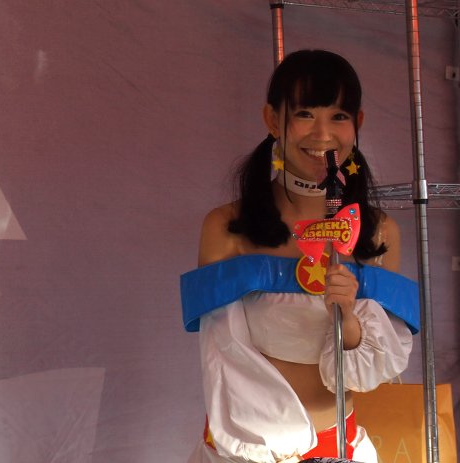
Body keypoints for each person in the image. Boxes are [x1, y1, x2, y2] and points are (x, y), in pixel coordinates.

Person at [180, 50, 420, 463]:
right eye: (305, 114)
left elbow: (371, 372)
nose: (322, 134)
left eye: (338, 116)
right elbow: (222, 354)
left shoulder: (378, 233)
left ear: (358, 123)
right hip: (244, 453)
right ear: (273, 120)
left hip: (341, 448)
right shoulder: (226, 227)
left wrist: (348, 319)